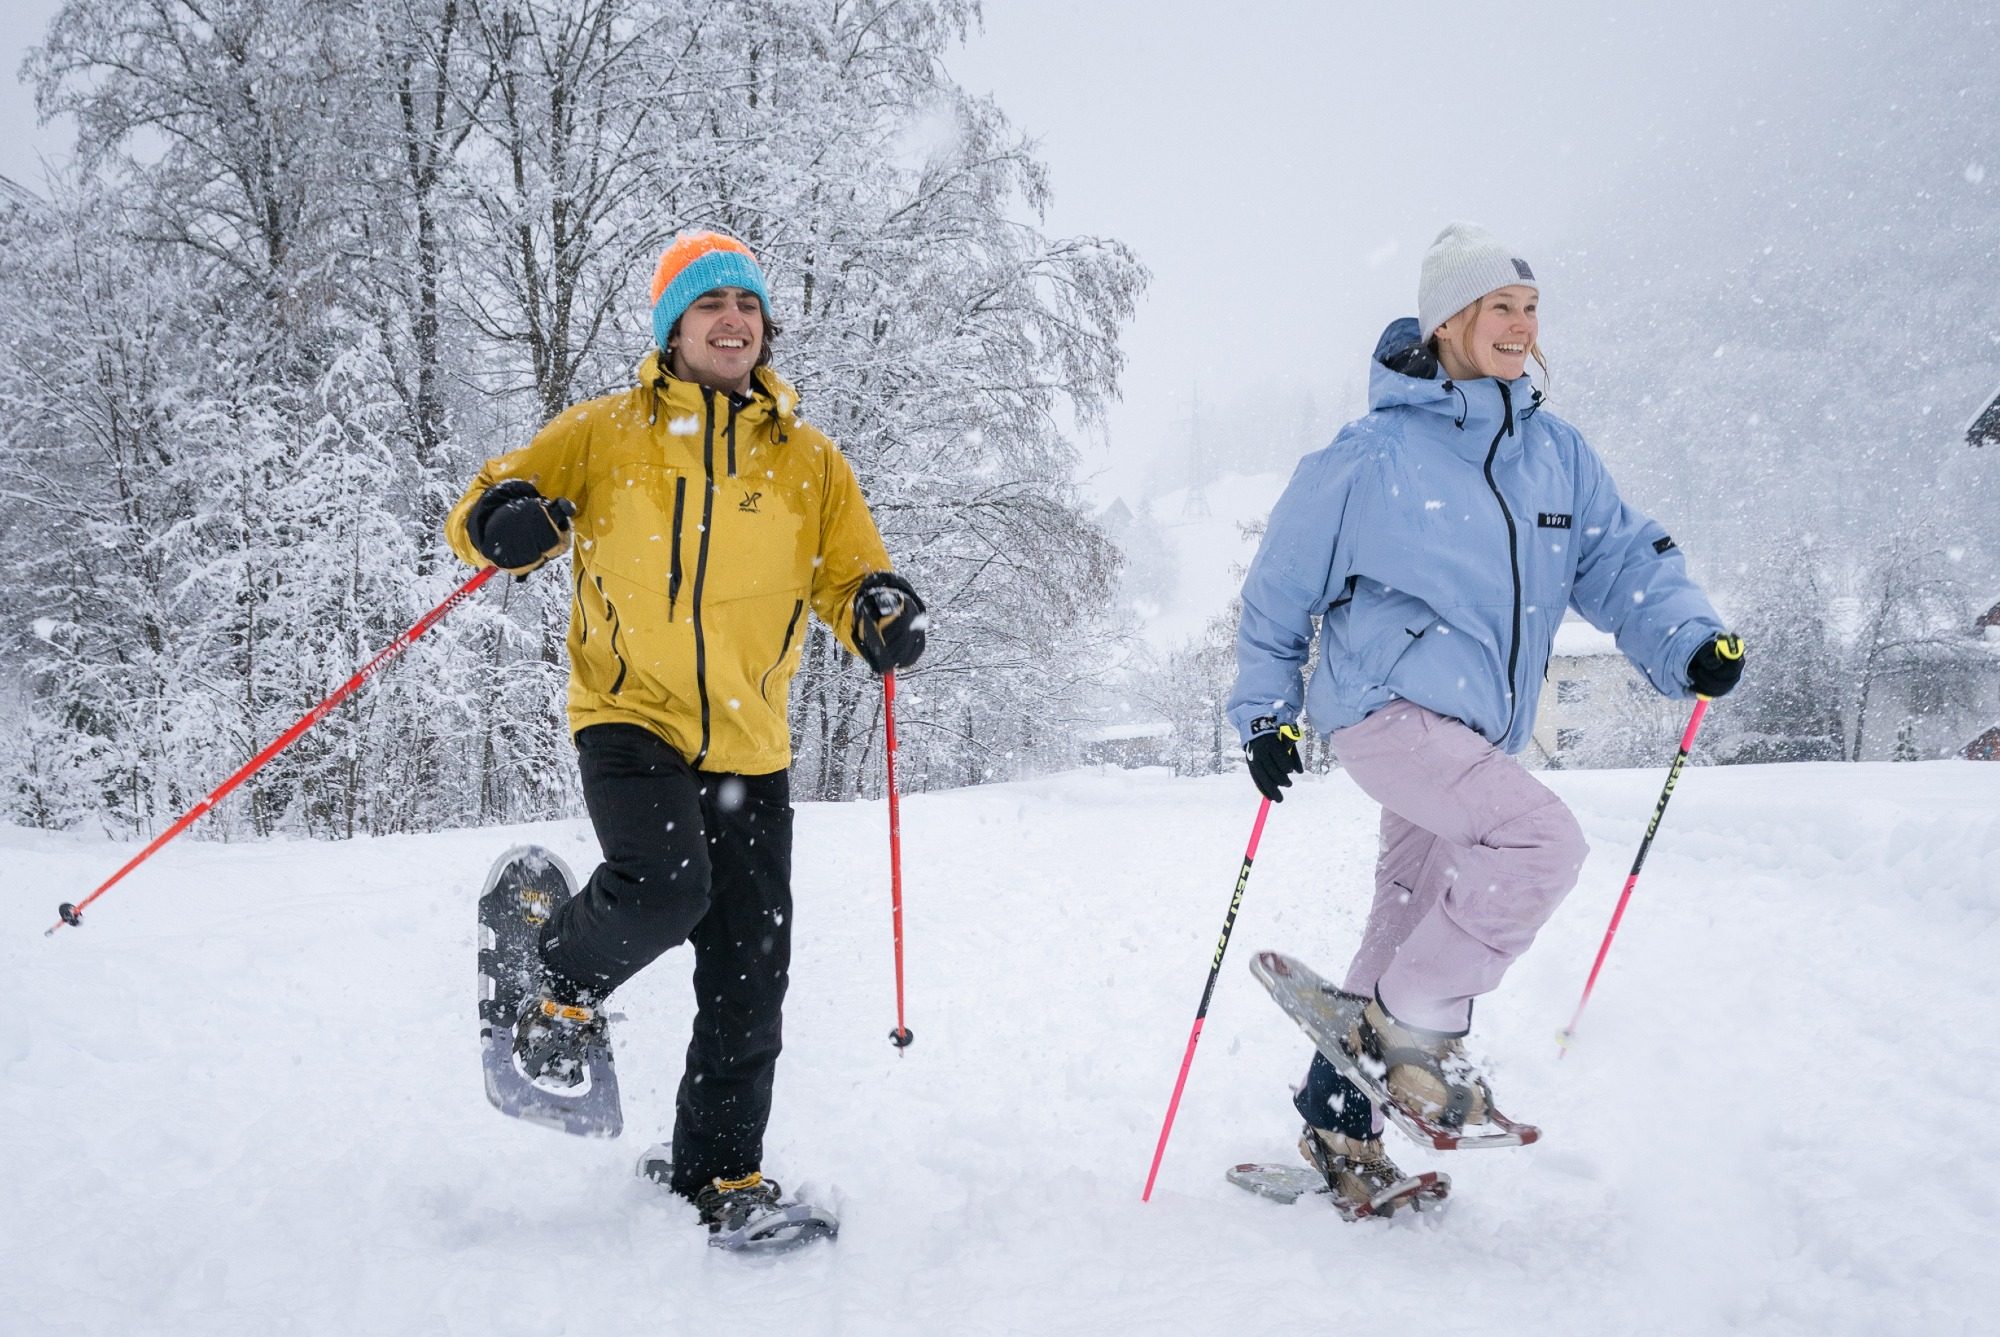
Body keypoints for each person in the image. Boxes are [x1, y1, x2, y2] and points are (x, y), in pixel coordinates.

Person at [1227, 222, 1744, 1218]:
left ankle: (1339, 1115)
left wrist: (1685, 636)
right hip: (1385, 713)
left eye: (1529, 307)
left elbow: (1623, 562)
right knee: (1537, 839)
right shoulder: (1370, 456)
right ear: (1450, 321)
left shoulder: (1553, 455)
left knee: (1411, 913)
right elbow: (1278, 591)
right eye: (1498, 307)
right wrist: (1262, 714)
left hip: (1470, 736)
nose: (1519, 325)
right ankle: (1414, 1032)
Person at [445, 230, 927, 1235]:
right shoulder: (607, 432)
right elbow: (487, 503)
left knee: (751, 972)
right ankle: (552, 973)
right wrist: (501, 522)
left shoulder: (808, 461)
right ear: (673, 328)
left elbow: (849, 575)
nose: (732, 321)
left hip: (752, 743)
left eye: (746, 307)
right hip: (629, 711)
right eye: (710, 306)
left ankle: (719, 1172)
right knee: (667, 882)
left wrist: (878, 608)